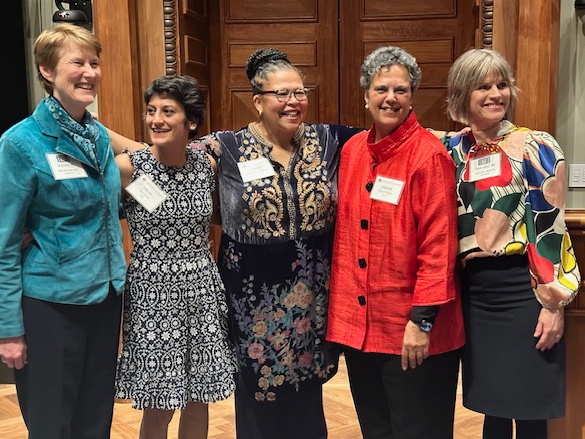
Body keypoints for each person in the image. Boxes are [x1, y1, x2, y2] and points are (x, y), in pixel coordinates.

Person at [186, 48, 359, 439]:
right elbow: (168, 153)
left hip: (312, 293)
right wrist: (94, 133)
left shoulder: (329, 140)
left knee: (307, 398)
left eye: (299, 92)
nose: (292, 101)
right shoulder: (226, 148)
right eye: (280, 94)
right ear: (258, 100)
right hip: (250, 297)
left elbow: (389, 137)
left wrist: (474, 136)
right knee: (258, 396)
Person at [439, 48, 581, 439]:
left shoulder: (535, 146)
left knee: (530, 406)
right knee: (494, 405)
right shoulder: (451, 151)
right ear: (462, 94)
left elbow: (549, 230)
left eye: (502, 85)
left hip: (523, 290)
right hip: (474, 294)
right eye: (483, 86)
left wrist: (553, 305)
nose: (496, 93)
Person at [326, 46, 465, 439]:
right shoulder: (352, 152)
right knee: (376, 428)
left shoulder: (429, 156)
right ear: (365, 94)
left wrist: (421, 322)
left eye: (401, 90)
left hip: (412, 329)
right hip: (361, 327)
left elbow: (438, 247)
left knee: (418, 430)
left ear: (412, 95)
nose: (391, 98)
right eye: (381, 88)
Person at [0, 23, 126, 439]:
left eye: (94, 62)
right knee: (53, 424)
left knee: (95, 422)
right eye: (77, 62)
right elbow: (4, 244)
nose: (89, 71)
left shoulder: (98, 137)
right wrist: (9, 331)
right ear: (47, 71)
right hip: (50, 306)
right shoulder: (22, 143)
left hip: (105, 300)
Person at [113, 75, 237, 439]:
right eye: (151, 111)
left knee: (200, 397)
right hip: (153, 291)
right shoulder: (129, 167)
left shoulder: (206, 167)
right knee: (160, 402)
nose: (156, 119)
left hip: (200, 287)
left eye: (168, 111)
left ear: (191, 122)